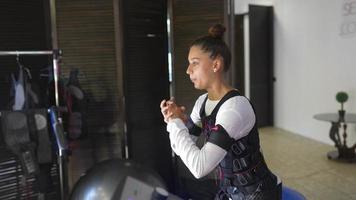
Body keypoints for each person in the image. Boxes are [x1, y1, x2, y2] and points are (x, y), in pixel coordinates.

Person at [160, 24, 281, 200]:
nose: (188, 71)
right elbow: (182, 147)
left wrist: (177, 124)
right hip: (229, 192)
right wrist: (173, 120)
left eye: (195, 63)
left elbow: (199, 168)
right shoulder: (202, 103)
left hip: (258, 194)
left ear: (216, 64)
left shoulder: (235, 108)